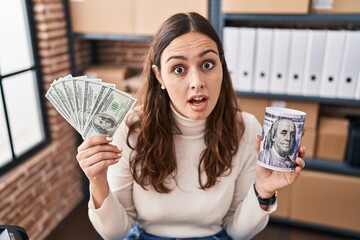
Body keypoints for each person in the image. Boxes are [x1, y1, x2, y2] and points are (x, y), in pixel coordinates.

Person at [76, 12, 306, 240]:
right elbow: (118, 233)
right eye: (179, 69)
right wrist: (97, 183)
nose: (197, 82)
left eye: (207, 64)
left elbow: (238, 232)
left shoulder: (246, 129)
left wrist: (264, 191)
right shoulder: (130, 130)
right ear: (159, 77)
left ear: (222, 67)